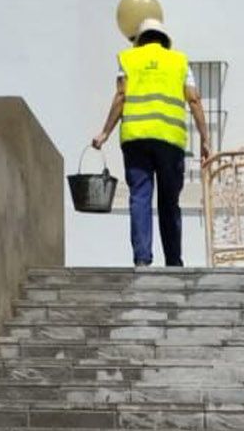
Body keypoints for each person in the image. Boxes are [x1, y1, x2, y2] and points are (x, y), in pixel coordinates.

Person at [91, 17, 213, 268]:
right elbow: (194, 101)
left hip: (136, 140)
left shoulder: (128, 59)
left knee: (140, 197)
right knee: (169, 202)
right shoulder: (179, 61)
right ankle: (174, 261)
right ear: (164, 40)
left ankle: (142, 260)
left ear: (139, 40)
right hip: (170, 142)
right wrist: (205, 139)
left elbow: (121, 97)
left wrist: (104, 133)